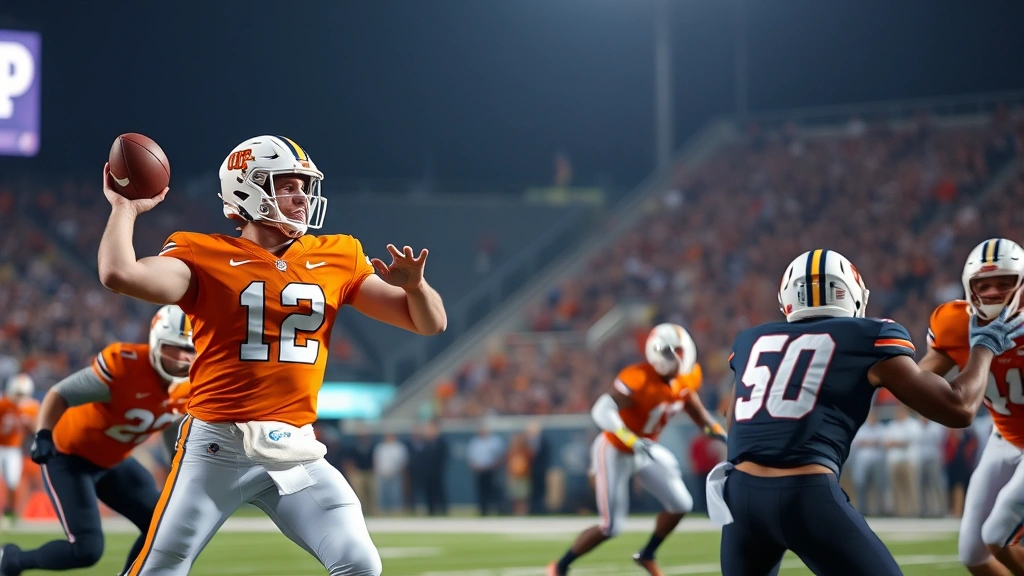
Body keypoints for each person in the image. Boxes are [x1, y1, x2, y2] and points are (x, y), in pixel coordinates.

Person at [95, 135, 446, 576]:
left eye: (304, 185)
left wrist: (416, 287)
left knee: (360, 564)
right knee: (160, 568)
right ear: (250, 188)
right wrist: (124, 208)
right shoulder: (203, 253)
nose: (302, 196)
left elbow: (429, 323)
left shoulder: (337, 254)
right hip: (216, 445)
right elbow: (118, 273)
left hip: (295, 447)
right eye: (288, 185)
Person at [714, 248, 1024, 576]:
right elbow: (959, 408)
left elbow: (732, 421)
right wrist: (985, 346)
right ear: (851, 293)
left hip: (740, 498)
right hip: (805, 494)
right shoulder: (868, 336)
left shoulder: (752, 339)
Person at [0, 305, 194, 576]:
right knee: (86, 549)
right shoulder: (125, 365)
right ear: (156, 341)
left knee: (165, 525)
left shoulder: (193, 384)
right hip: (68, 457)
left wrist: (178, 462)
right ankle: (12, 560)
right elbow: (60, 393)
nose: (184, 358)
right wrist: (43, 434)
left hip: (113, 461)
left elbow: (171, 422)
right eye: (175, 347)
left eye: (191, 350)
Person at [549, 323, 727, 576]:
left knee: (681, 503)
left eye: (680, 351)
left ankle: (647, 554)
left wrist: (720, 434)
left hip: (644, 449)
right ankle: (559, 566)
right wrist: (629, 438)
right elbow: (601, 410)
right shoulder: (638, 378)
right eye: (672, 352)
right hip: (615, 448)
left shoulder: (688, 376)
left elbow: (693, 406)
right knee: (611, 526)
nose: (678, 358)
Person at [920, 238, 1024, 575]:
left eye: (1005, 282)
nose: (993, 291)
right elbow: (917, 380)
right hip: (1003, 437)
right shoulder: (954, 324)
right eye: (984, 284)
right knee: (973, 554)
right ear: (969, 288)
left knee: (999, 533)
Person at [0, 374, 36, 526]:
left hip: (13, 449)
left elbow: (35, 430)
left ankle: (9, 513)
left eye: (23, 394)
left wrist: (28, 422)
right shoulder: (3, 403)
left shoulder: (31, 407)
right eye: (18, 393)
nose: (20, 397)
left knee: (13, 482)